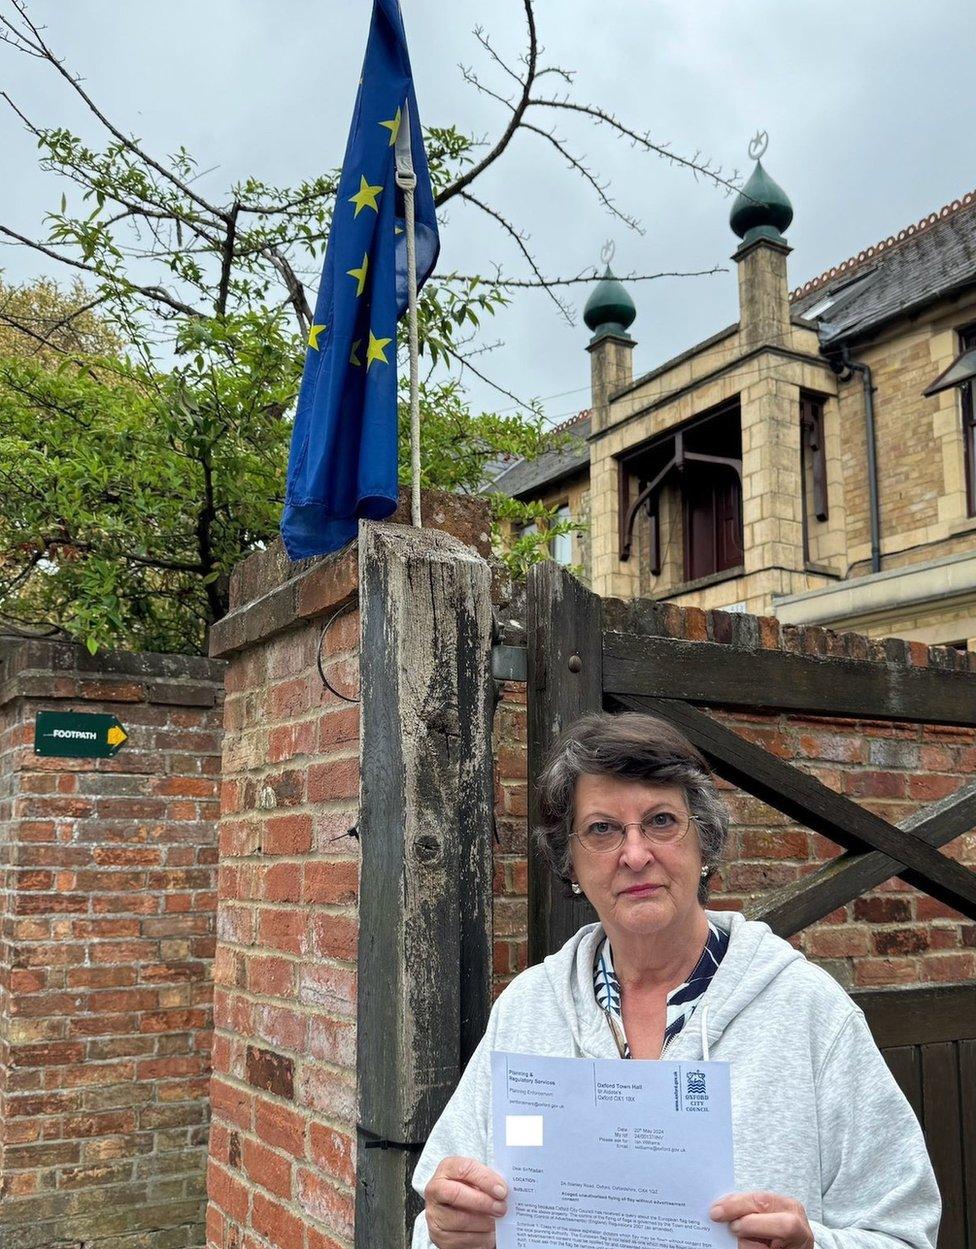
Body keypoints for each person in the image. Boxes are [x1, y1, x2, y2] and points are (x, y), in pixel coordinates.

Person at [411, 711, 941, 1249]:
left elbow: (905, 1235)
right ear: (568, 862)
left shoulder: (808, 1012)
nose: (635, 854)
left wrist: (814, 1247)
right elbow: (435, 1225)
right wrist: (451, 1236)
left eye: (662, 821)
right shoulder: (526, 1011)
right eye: (602, 829)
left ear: (704, 842)